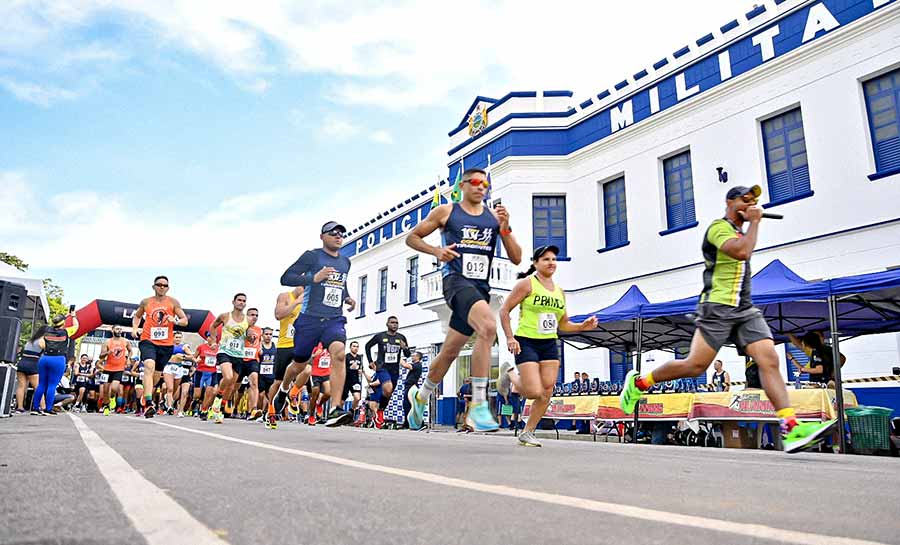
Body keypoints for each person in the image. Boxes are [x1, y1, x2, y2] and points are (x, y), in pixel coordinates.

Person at [618, 185, 836, 453]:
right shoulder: (718, 229)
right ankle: (640, 382)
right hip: (716, 308)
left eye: (754, 201)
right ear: (730, 202)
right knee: (695, 366)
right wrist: (755, 222)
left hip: (744, 309)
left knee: (769, 358)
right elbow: (741, 252)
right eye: (745, 200)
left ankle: (790, 427)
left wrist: (751, 223)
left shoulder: (740, 232)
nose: (750, 204)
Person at [405, 168, 523, 431]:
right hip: (455, 283)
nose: (481, 187)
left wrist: (505, 230)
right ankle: (479, 406)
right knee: (489, 327)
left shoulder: (494, 217)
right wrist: (436, 250)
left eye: (485, 183)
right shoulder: (446, 212)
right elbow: (412, 237)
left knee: (449, 351)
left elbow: (516, 258)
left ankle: (420, 396)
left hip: (480, 288)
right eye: (476, 182)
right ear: (462, 185)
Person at [498, 245, 598, 447]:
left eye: (553, 259)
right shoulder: (527, 284)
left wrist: (582, 326)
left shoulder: (560, 292)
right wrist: (510, 338)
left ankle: (527, 432)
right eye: (546, 259)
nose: (551, 262)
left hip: (549, 343)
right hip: (526, 341)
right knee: (533, 392)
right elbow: (504, 310)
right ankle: (509, 373)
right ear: (535, 263)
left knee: (547, 390)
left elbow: (563, 324)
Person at [275, 221, 356, 428]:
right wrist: (314, 277)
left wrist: (347, 297)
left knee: (338, 353)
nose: (338, 236)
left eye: (341, 234)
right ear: (322, 236)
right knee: (299, 365)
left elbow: (339, 283)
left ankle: (336, 408)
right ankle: (284, 390)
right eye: (333, 233)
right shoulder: (312, 256)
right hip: (309, 319)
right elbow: (286, 278)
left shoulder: (345, 262)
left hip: (333, 319)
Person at [132, 275, 189, 418]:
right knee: (149, 366)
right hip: (148, 341)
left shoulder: (173, 302)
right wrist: (134, 328)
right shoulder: (146, 302)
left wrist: (175, 320)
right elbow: (137, 316)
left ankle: (147, 394)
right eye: (159, 284)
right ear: (154, 286)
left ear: (168, 288)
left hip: (166, 344)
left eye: (165, 285)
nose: (162, 287)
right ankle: (149, 403)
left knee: (156, 376)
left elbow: (185, 321)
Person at [207, 293, 250, 424]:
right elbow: (213, 326)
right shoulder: (225, 316)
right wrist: (214, 340)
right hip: (224, 351)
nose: (241, 303)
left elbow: (247, 336)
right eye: (239, 300)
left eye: (243, 301)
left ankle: (218, 409)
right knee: (228, 377)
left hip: (239, 354)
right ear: (233, 302)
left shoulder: (247, 319)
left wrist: (251, 338)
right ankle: (217, 399)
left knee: (231, 386)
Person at [267, 286, 304, 429]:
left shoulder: (308, 300)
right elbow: (279, 315)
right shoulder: (285, 296)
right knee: (277, 381)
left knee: (307, 370)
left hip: (299, 344)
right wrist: (296, 303)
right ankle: (271, 410)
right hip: (284, 345)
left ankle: (291, 393)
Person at [365, 316, 411, 427]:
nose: (395, 325)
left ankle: (380, 411)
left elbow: (408, 355)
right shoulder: (380, 336)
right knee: (388, 388)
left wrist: (405, 348)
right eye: (392, 322)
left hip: (395, 369)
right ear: (387, 324)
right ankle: (379, 413)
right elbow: (368, 346)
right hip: (382, 367)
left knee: (388, 393)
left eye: (396, 323)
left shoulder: (401, 338)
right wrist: (371, 361)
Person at [31, 312, 79, 416]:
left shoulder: (46, 331)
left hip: (45, 358)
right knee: (52, 385)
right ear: (63, 323)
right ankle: (48, 409)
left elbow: (40, 344)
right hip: (58, 359)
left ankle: (35, 408)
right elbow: (76, 326)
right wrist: (73, 315)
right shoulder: (66, 331)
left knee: (42, 384)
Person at [96, 325, 133, 416]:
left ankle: (112, 398)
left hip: (119, 368)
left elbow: (130, 350)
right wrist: (108, 352)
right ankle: (106, 406)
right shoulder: (107, 342)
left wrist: (128, 359)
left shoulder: (125, 341)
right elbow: (100, 356)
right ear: (112, 330)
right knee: (105, 390)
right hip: (107, 369)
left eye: (120, 329)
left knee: (114, 388)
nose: (119, 330)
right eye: (117, 329)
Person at [242, 308, 263, 421]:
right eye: (251, 315)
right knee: (233, 386)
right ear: (246, 315)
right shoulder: (241, 327)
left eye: (256, 315)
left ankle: (253, 410)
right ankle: (224, 405)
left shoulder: (259, 330)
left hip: (253, 359)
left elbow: (258, 342)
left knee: (254, 382)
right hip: (240, 359)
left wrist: (260, 349)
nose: (254, 317)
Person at [193, 333, 219, 419]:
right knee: (197, 394)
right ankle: (195, 402)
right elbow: (194, 357)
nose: (211, 339)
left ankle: (203, 411)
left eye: (213, 337)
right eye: (209, 337)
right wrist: (196, 360)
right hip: (200, 372)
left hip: (211, 373)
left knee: (209, 393)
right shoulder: (201, 347)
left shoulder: (218, 348)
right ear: (207, 338)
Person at [306, 343, 332, 426]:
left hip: (326, 373)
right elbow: (307, 359)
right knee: (315, 394)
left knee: (328, 393)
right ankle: (311, 416)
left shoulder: (331, 346)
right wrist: (314, 355)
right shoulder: (315, 345)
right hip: (315, 374)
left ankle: (319, 404)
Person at [15, 336, 42, 414]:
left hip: (22, 362)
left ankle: (19, 407)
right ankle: (42, 407)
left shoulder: (30, 341)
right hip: (32, 364)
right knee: (37, 387)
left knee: (21, 386)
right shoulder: (42, 340)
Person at [400, 351, 424, 430]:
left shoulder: (417, 365)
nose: (412, 357)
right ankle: (408, 423)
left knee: (410, 405)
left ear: (418, 357)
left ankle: (418, 423)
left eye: (414, 356)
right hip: (409, 386)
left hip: (411, 387)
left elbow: (405, 365)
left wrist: (398, 356)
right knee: (408, 405)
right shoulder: (416, 365)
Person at [257, 327, 277, 419]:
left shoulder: (274, 346)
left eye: (270, 334)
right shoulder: (259, 345)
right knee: (261, 395)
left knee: (270, 395)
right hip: (261, 374)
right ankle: (259, 411)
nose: (268, 336)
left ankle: (265, 413)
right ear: (262, 335)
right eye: (266, 334)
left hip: (271, 375)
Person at [344, 340, 363, 419]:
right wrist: (350, 368)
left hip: (355, 381)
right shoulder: (346, 357)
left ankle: (351, 412)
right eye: (354, 346)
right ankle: (339, 416)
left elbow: (361, 367)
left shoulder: (359, 357)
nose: (355, 348)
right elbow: (341, 369)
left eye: (357, 346)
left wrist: (361, 371)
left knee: (357, 397)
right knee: (342, 399)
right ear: (350, 347)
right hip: (346, 380)